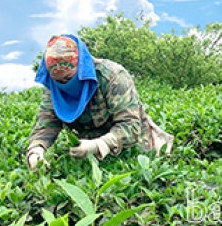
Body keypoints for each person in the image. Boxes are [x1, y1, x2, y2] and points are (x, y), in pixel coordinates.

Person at [25, 34, 174, 170]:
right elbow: (46, 124)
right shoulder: (53, 87)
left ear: (80, 71)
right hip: (86, 153)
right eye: (59, 81)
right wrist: (36, 150)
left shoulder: (113, 76)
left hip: (132, 149)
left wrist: (100, 145)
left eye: (68, 79)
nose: (64, 84)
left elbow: (130, 125)